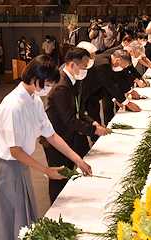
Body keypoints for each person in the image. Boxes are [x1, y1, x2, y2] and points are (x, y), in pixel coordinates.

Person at [0, 55, 92, 240]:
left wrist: (78, 160)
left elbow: (51, 135)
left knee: (22, 218)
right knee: (7, 220)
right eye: (48, 83)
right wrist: (46, 170)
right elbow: (15, 150)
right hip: (6, 168)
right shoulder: (13, 106)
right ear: (35, 79)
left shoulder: (34, 101)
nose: (49, 88)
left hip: (20, 166)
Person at [44, 47, 109, 204]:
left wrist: (91, 122)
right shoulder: (61, 85)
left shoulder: (74, 81)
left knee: (68, 172)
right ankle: (55, 210)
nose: (85, 71)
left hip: (67, 135)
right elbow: (69, 119)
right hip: (56, 138)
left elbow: (78, 111)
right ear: (73, 65)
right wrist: (94, 130)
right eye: (83, 68)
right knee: (59, 176)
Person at [82, 49, 141, 128]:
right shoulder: (103, 64)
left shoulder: (109, 60)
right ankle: (95, 137)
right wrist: (127, 103)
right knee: (89, 118)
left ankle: (96, 136)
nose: (122, 69)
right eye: (123, 66)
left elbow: (113, 81)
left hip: (96, 91)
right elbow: (110, 86)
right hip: (86, 91)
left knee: (95, 115)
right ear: (118, 60)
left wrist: (117, 99)